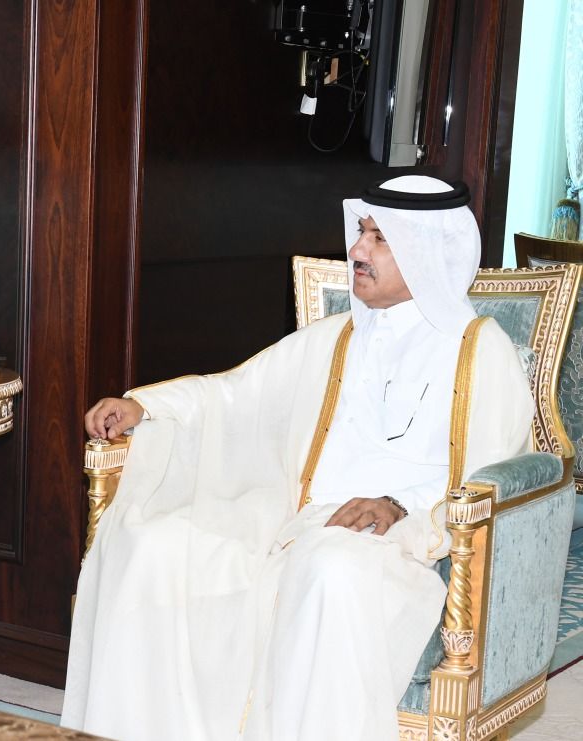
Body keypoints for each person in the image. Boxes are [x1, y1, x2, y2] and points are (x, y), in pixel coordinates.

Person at [61, 176, 534, 741]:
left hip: (396, 550)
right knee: (154, 546)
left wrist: (397, 504)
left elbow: (489, 475)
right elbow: (234, 395)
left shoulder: (481, 351)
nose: (356, 250)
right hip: (290, 520)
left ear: (426, 251)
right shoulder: (338, 337)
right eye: (361, 232)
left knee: (329, 568)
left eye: (378, 238)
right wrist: (145, 407)